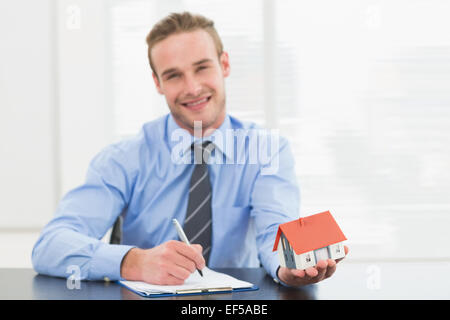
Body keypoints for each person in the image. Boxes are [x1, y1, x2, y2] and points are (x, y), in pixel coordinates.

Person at [32, 11, 348, 288]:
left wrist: (288, 268)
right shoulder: (125, 158)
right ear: (157, 83)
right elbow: (50, 246)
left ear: (224, 64)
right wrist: (133, 261)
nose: (192, 87)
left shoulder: (267, 151)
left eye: (202, 68)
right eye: (173, 75)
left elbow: (273, 235)